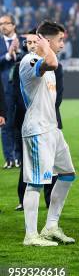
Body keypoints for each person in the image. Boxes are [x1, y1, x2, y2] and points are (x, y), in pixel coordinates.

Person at [20, 21, 76, 247]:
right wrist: (44, 47)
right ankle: (31, 236)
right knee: (35, 183)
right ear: (48, 40)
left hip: (52, 129)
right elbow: (52, 62)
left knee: (67, 174)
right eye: (60, 39)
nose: (63, 44)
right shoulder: (31, 59)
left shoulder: (45, 59)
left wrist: (48, 48)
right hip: (37, 130)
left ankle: (51, 225)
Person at [0, 15, 21, 168]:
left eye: (6, 23)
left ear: (13, 25)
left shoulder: (25, 41)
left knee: (20, 124)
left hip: (22, 89)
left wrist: (18, 52)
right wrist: (8, 55)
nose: (2, 26)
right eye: (0, 24)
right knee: (5, 124)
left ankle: (20, 157)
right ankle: (9, 158)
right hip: (4, 90)